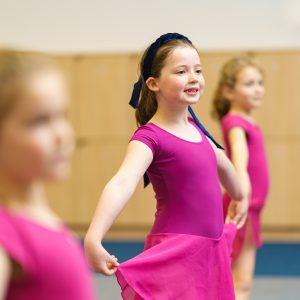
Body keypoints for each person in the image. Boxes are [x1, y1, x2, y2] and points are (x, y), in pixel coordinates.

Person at [85, 33, 248, 299]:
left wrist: (239, 195)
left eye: (198, 70)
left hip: (210, 252)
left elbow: (222, 164)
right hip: (177, 252)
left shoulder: (196, 130)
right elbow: (122, 182)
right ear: (153, 83)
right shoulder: (150, 137)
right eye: (181, 71)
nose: (193, 77)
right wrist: (94, 236)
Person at [0, 50, 96, 300]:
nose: (62, 134)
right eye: (40, 121)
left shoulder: (39, 219)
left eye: (63, 116)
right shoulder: (7, 232)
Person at [212, 56, 270, 300]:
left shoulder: (247, 120)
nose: (257, 89)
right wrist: (242, 195)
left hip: (250, 208)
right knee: (239, 279)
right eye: (249, 84)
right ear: (229, 91)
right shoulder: (235, 123)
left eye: (259, 82)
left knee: (241, 278)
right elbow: (240, 159)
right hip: (242, 206)